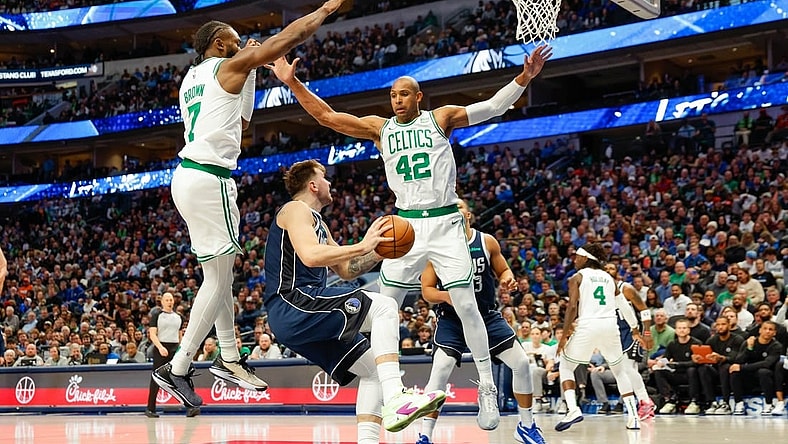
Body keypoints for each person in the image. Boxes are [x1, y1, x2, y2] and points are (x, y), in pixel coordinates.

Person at [268, 45, 552, 431]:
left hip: (446, 222)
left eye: (404, 94)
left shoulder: (440, 118)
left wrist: (525, 77)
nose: (396, 99)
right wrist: (293, 82)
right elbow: (328, 116)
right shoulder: (379, 128)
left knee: (468, 306)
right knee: (384, 307)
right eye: (392, 95)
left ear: (418, 97)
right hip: (405, 227)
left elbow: (492, 107)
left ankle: (486, 385)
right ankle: (387, 392)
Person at [153, 0, 348, 409]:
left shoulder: (193, 77)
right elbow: (287, 38)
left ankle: (228, 356)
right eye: (238, 43)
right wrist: (326, 10)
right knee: (219, 279)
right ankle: (179, 367)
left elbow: (241, 124)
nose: (243, 48)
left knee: (217, 276)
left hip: (186, 177)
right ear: (221, 43)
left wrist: (253, 73)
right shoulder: (227, 65)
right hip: (211, 179)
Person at [263, 160, 446, 441]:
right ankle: (396, 397)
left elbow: (348, 270)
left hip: (302, 313)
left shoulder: (319, 223)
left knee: (372, 370)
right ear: (313, 185)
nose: (330, 183)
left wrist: (379, 251)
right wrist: (363, 244)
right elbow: (310, 256)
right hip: (293, 302)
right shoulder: (295, 209)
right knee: (384, 306)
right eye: (325, 178)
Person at [417, 200, 546, 444]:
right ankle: (425, 435)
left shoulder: (486, 242)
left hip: (486, 315)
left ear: (469, 214)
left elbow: (504, 270)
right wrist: (450, 297)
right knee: (440, 371)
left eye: (460, 206)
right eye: (451, 208)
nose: (455, 210)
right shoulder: (438, 248)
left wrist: (508, 279)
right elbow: (427, 290)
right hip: (452, 320)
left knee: (521, 363)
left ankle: (526, 425)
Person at [554, 243, 641, 432]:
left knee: (566, 366)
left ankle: (573, 409)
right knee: (620, 372)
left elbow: (571, 307)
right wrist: (634, 327)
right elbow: (624, 305)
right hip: (610, 326)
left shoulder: (577, 277)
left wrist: (564, 337)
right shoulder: (609, 278)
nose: (574, 260)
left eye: (577, 256)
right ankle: (634, 417)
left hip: (588, 326)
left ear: (586, 258)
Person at [604, 263, 656, 420]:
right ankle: (640, 403)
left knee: (629, 368)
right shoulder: (601, 293)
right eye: (605, 269)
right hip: (612, 334)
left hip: (630, 333)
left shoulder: (625, 288)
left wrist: (646, 332)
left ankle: (645, 401)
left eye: (611, 268)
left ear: (617, 272)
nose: (608, 271)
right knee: (620, 371)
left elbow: (644, 310)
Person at [147, 292, 190, 418]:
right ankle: (150, 408)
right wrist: (160, 347)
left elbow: (180, 335)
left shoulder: (179, 317)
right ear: (162, 302)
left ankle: (190, 406)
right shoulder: (156, 315)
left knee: (182, 376)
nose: (170, 302)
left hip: (175, 347)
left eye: (171, 299)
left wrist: (181, 349)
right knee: (156, 378)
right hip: (161, 347)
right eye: (167, 300)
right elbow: (153, 334)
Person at [730, 321, 782, 414]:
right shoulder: (749, 342)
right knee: (734, 371)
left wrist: (742, 368)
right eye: (765, 329)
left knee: (763, 371)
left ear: (774, 333)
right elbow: (739, 360)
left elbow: (767, 363)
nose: (767, 331)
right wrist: (749, 348)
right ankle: (739, 403)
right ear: (760, 330)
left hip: (767, 376)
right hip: (750, 374)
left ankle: (768, 403)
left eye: (770, 329)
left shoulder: (776, 346)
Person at [697, 315, 743, 415]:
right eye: (718, 324)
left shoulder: (737, 339)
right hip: (715, 370)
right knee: (703, 368)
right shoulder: (712, 340)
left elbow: (736, 358)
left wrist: (721, 357)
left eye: (723, 324)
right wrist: (699, 358)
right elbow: (707, 356)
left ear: (729, 326)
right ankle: (712, 402)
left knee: (725, 366)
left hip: (732, 371)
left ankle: (726, 403)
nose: (720, 327)